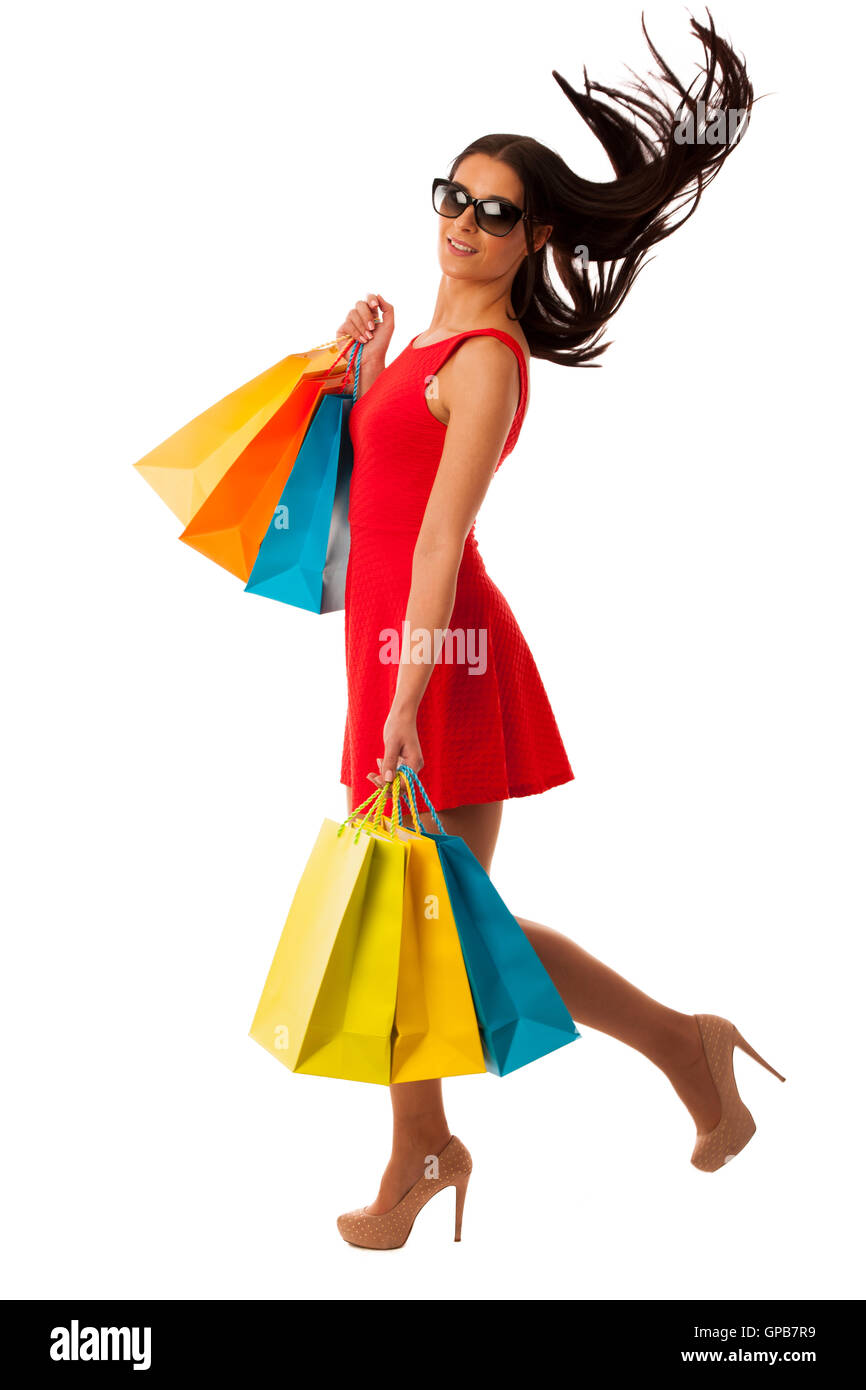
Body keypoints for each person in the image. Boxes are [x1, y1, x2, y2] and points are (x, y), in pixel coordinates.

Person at [333, 12, 784, 1251]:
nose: (462, 223)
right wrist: (359, 372)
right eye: (453, 197)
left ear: (533, 236)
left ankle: (432, 1141)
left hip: (444, 663)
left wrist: (409, 701)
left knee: (421, 918)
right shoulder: (421, 348)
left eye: (492, 212)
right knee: (424, 922)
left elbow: (435, 541)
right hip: (389, 654)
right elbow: (364, 516)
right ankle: (675, 1048)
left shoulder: (483, 357)